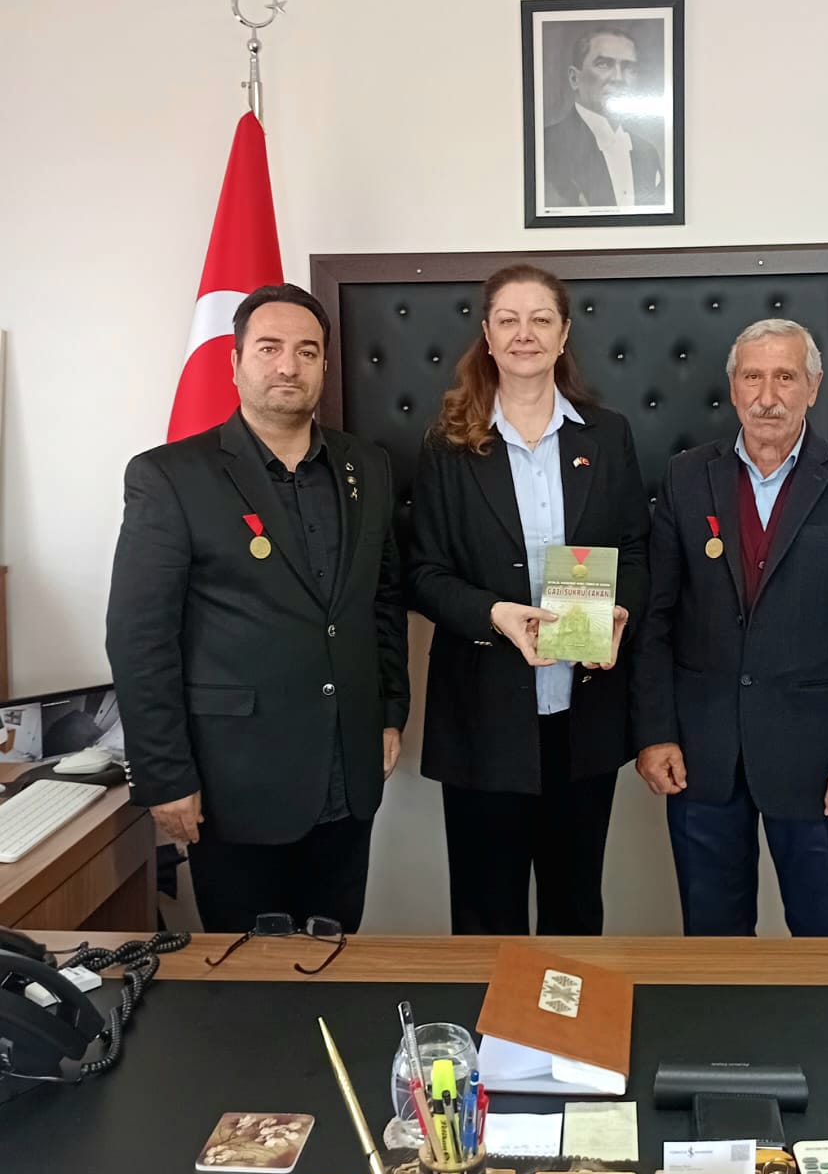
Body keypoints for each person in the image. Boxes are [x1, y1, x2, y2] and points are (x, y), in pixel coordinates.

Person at [106, 283, 409, 934]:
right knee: (247, 973)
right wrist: (164, 775)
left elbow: (382, 600)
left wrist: (390, 711)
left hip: (349, 771)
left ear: (324, 365)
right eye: (269, 348)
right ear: (236, 361)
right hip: (234, 781)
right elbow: (139, 638)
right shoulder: (170, 477)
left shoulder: (368, 467)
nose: (288, 366)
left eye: (307, 351)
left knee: (336, 952)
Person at [632, 318, 828, 937]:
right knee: (713, 949)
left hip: (821, 767)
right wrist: (654, 733)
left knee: (827, 950)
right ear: (732, 387)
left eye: (785, 377)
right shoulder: (685, 478)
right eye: (752, 377)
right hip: (701, 760)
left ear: (813, 386)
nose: (767, 396)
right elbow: (657, 621)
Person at [408, 263, 650, 934]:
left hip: (583, 716)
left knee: (576, 911)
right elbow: (423, 573)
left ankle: (567, 1013)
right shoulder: (448, 444)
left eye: (541, 319)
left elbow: (636, 550)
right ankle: (496, 1013)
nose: (525, 333)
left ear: (564, 333)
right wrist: (494, 615)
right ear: (487, 335)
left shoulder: (607, 435)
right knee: (486, 916)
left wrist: (621, 611)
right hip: (482, 719)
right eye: (508, 320)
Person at [544, 26, 664, 208]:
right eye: (604, 64)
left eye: (629, 68)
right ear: (574, 78)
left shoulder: (647, 152)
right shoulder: (547, 146)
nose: (619, 78)